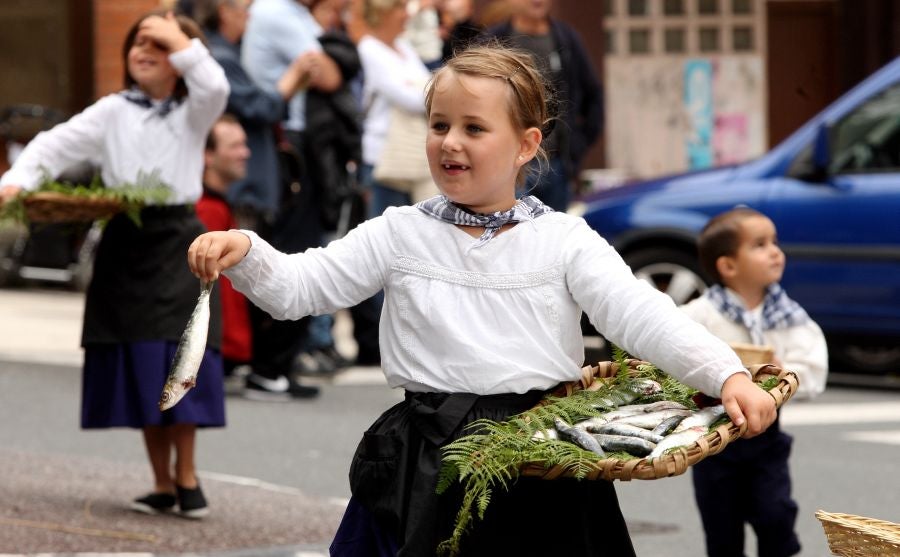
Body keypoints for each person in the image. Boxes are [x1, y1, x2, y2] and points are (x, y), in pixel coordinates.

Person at [185, 45, 777, 556]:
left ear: (526, 145)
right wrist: (248, 250)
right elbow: (300, 289)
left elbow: (642, 314)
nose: (450, 142)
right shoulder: (398, 230)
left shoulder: (563, 239)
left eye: (474, 128)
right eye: (439, 125)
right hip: (426, 459)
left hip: (540, 458)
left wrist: (726, 374)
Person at [0, 11, 229, 518]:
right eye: (138, 42)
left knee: (182, 353)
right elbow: (53, 145)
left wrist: (179, 39)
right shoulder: (111, 110)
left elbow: (214, 82)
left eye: (159, 45)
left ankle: (188, 476)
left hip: (181, 243)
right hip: (127, 238)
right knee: (142, 356)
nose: (145, 50)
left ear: (182, 58)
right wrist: (15, 181)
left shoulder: (196, 109)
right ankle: (162, 482)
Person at [680, 207, 828, 557]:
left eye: (775, 242)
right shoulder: (701, 315)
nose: (776, 251)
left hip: (766, 438)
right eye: (760, 245)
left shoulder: (788, 315)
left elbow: (813, 368)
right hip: (714, 440)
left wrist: (783, 373)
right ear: (728, 266)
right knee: (722, 531)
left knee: (776, 516)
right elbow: (674, 354)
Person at [194, 0, 322, 399]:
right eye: (243, 10)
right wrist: (294, 76)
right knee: (251, 271)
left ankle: (258, 363)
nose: (248, 18)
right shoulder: (221, 55)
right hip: (245, 185)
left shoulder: (226, 53)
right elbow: (261, 106)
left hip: (250, 179)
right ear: (225, 13)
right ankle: (259, 365)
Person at [481, 0, 603, 212]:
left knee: (554, 238)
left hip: (556, 164)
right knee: (513, 234)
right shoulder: (494, 40)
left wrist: (577, 146)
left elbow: (593, 94)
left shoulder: (566, 38)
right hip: (511, 164)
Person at [196, 114, 253, 377]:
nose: (245, 152)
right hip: (216, 350)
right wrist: (233, 346)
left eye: (244, 144)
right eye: (234, 146)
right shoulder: (207, 211)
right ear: (208, 155)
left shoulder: (219, 206)